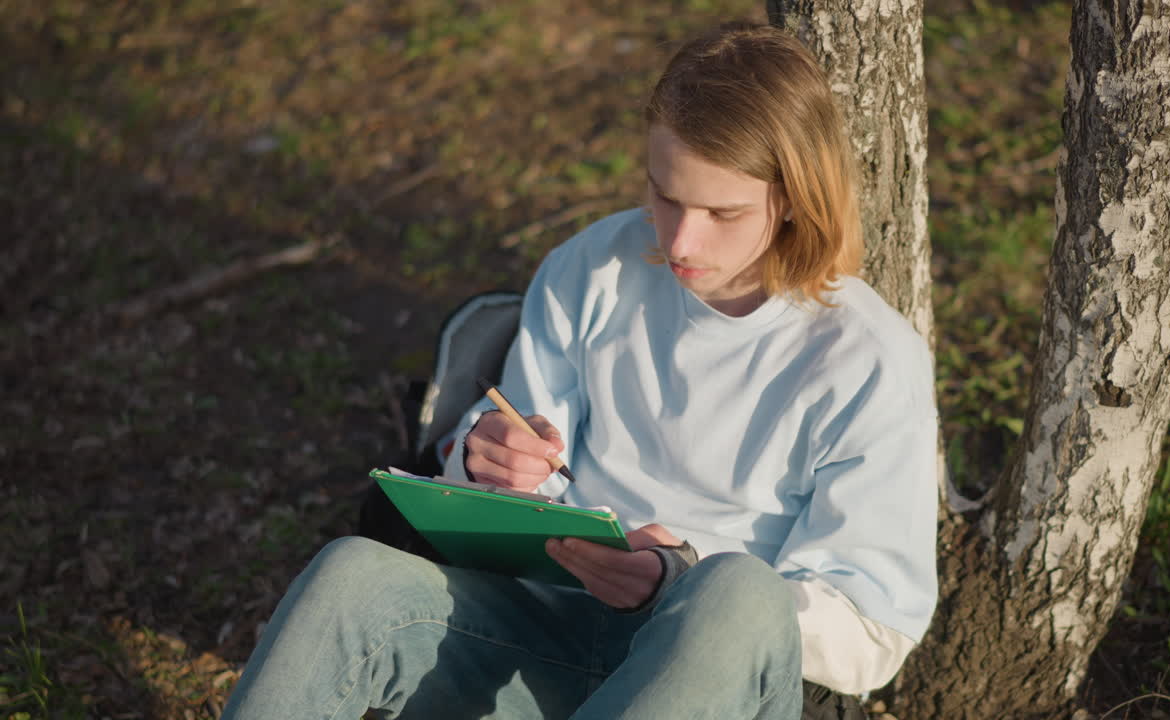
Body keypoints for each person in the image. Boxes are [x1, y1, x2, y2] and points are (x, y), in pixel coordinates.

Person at [220, 20, 937, 720]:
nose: (680, 241)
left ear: (795, 200)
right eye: (665, 196)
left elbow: (874, 634)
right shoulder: (597, 266)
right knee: (351, 575)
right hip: (549, 627)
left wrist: (680, 584)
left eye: (722, 213)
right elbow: (523, 466)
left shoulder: (864, 358)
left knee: (738, 594)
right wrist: (490, 463)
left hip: (710, 667)